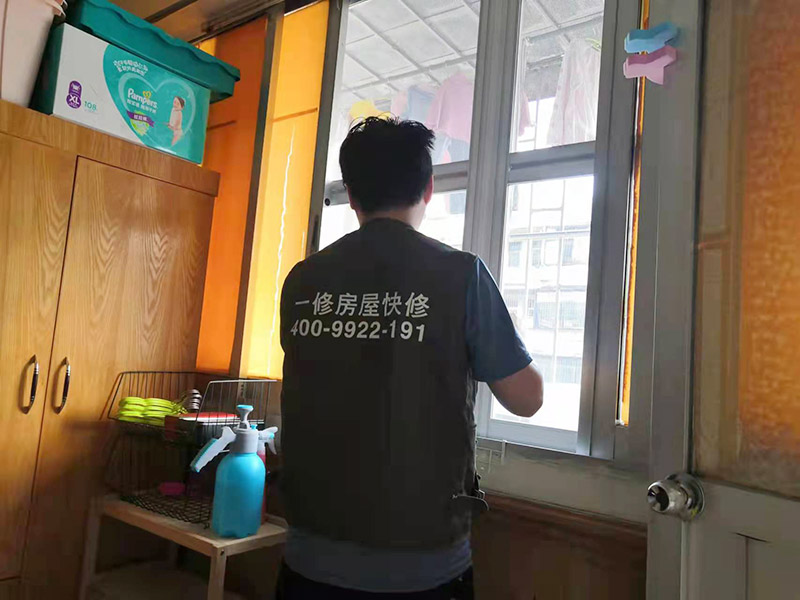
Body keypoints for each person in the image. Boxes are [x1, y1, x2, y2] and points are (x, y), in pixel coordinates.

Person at [278, 117, 543, 599]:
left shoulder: (302, 280)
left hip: (308, 558)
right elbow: (527, 399)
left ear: (351, 195)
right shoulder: (461, 275)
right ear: (428, 188)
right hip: (424, 565)